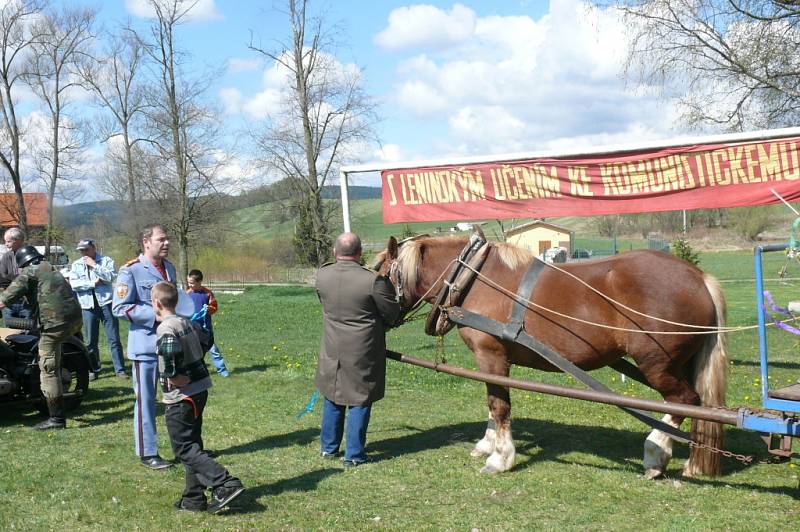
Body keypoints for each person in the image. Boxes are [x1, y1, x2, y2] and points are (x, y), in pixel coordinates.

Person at [152, 281, 245, 513]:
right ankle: (194, 498)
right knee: (193, 444)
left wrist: (174, 375)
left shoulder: (165, 328)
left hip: (181, 397)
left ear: (156, 303)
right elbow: (207, 340)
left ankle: (225, 483)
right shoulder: (188, 322)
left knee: (183, 448)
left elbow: (170, 352)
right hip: (199, 390)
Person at [314, 232, 400, 466]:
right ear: (360, 253)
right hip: (363, 350)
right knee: (360, 399)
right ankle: (354, 455)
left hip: (332, 347)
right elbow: (392, 313)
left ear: (335, 252)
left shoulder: (322, 275)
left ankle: (328, 448)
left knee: (333, 394)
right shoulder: (373, 281)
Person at [112, 223, 192, 470]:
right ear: (146, 242)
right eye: (161, 239)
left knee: (177, 397)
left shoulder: (169, 268)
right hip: (146, 347)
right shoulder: (131, 271)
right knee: (146, 400)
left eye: (167, 239)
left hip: (171, 345)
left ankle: (185, 448)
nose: (166, 243)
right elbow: (120, 307)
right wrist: (156, 316)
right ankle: (148, 452)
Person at [0, 245, 82, 430]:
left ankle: (57, 419)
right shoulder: (51, 268)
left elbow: (8, 295)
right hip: (72, 320)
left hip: (54, 325)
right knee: (53, 357)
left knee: (48, 368)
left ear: (23, 263)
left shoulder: (30, 272)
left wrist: (2, 301)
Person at [69, 238, 126, 380]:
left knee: (114, 339)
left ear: (93, 248)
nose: (83, 253)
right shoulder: (76, 265)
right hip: (88, 306)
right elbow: (74, 284)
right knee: (90, 341)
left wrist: (95, 265)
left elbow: (111, 277)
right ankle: (94, 369)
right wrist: (93, 283)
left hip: (106, 303)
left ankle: (120, 370)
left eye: (86, 249)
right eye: (81, 250)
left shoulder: (106, 261)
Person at [186, 269, 230, 377]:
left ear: (199, 281)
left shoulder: (208, 294)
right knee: (194, 350)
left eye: (192, 283)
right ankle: (193, 370)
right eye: (188, 282)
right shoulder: (187, 294)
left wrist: (210, 308)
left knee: (213, 349)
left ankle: (222, 370)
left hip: (206, 329)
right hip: (192, 328)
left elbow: (214, 307)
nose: (189, 285)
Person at [0, 227, 33, 323]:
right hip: (10, 302)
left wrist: (13, 278)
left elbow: (32, 277)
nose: (6, 244)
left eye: (8, 241)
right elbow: (2, 278)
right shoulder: (7, 256)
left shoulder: (30, 255)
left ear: (18, 241)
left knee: (29, 333)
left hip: (27, 302)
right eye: (5, 241)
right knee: (10, 334)